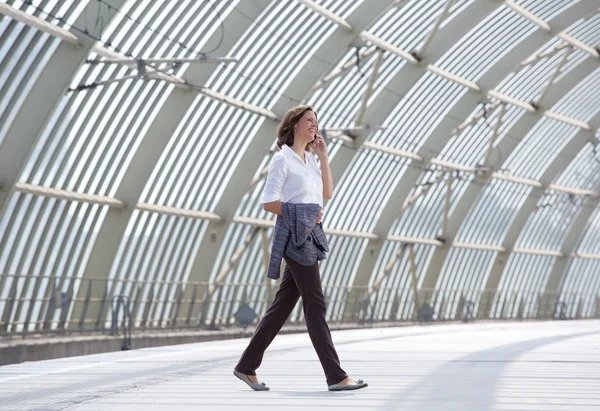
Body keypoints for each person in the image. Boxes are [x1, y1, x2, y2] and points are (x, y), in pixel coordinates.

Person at [233, 105, 368, 392]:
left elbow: (327, 195)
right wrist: (304, 214)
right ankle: (336, 375)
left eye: (316, 121)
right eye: (308, 121)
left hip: (310, 234)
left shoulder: (309, 161)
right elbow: (270, 202)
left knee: (282, 307)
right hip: (295, 236)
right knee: (315, 304)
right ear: (294, 125)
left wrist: (324, 157)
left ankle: (246, 366)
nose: (313, 125)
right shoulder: (282, 160)